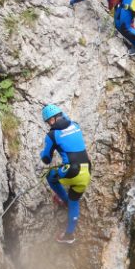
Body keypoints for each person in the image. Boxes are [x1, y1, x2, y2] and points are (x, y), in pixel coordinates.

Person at [40, 103, 92, 245]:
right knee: (75, 200)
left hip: (71, 171)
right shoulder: (75, 125)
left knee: (51, 176)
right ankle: (69, 235)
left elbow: (46, 159)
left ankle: (64, 200)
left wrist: (43, 152)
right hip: (87, 170)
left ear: (50, 120)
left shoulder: (52, 135)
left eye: (48, 122)